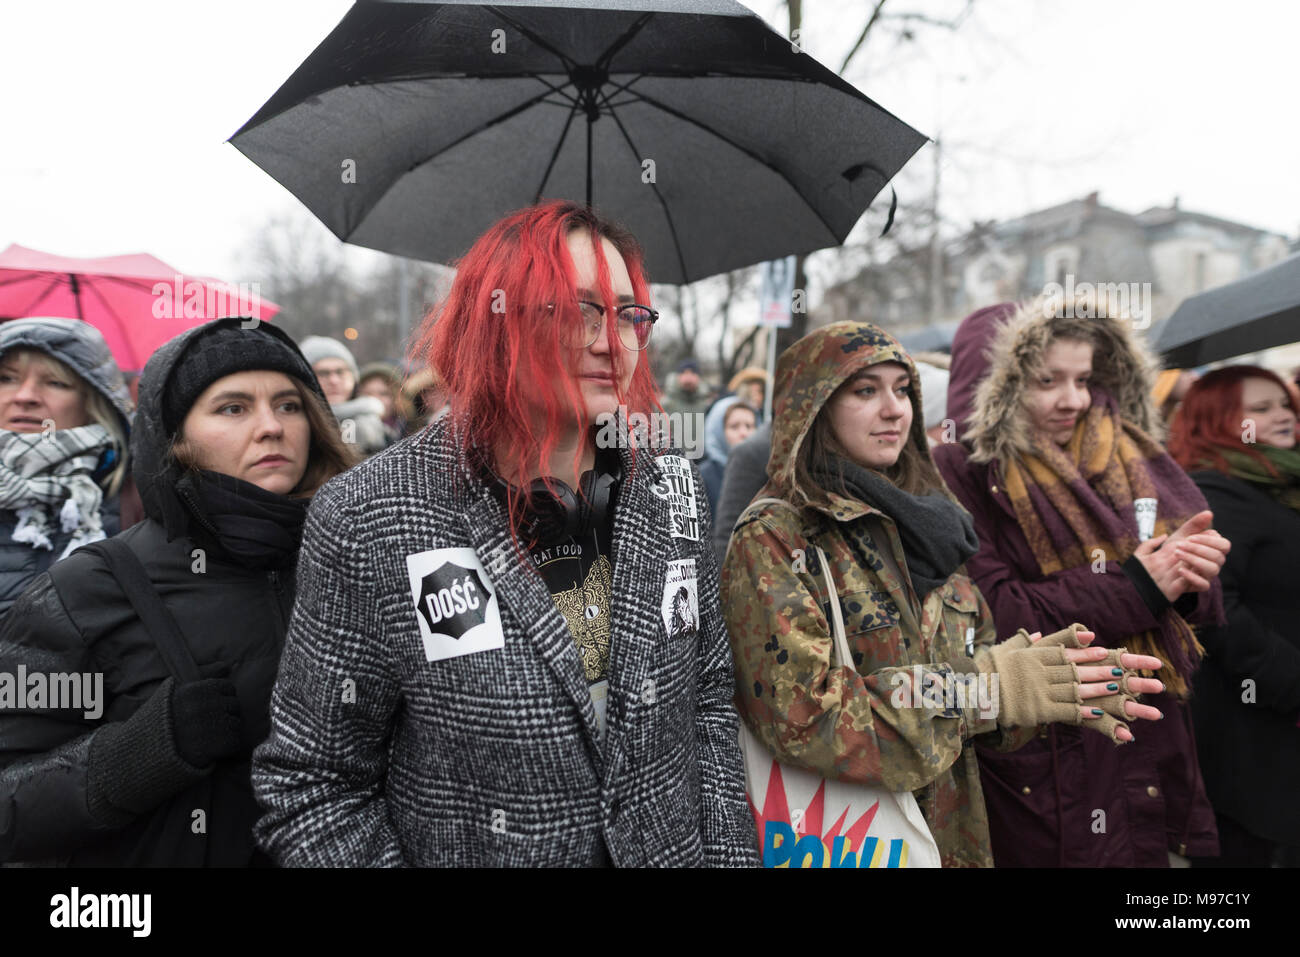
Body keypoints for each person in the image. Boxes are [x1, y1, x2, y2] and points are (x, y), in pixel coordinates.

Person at [252, 201, 758, 867]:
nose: (612, 341)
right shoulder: (369, 514)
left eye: (629, 314)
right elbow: (313, 783)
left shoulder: (671, 481)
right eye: (578, 311)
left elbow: (708, 702)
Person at [721, 321, 1164, 867]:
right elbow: (805, 717)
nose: (894, 410)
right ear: (813, 407)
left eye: (902, 390)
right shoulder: (778, 536)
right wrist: (987, 690)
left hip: (951, 842)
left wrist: (1043, 685)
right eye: (865, 391)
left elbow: (979, 698)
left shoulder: (936, 525)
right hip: (843, 840)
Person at [0, 318, 354, 865]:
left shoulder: (361, 563)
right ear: (175, 436)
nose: (271, 427)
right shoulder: (88, 590)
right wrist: (133, 757)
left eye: (288, 405)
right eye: (232, 408)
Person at [933, 294, 1230, 867]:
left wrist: (1190, 574)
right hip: (1044, 754)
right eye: (1048, 381)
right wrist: (1140, 585)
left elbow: (1203, 613)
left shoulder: (1129, 453)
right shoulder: (956, 473)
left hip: (1149, 731)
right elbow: (997, 612)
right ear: (994, 386)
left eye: (1085, 379)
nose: (1074, 400)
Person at [1168, 365, 1300, 866]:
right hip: (1253, 732)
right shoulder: (1214, 492)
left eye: (1285, 403)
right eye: (1261, 409)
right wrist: (1291, 683)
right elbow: (1216, 610)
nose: (1283, 415)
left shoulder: (1280, 482)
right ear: (1220, 419)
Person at [0, 317, 133, 617]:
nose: (25, 396)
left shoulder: (137, 492)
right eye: (7, 378)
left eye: (56, 382)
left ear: (93, 400)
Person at [299, 335, 389, 456]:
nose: (334, 380)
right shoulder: (295, 423)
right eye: (323, 373)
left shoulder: (375, 426)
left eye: (341, 372)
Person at [700, 398, 756, 514]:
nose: (744, 433)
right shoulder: (703, 476)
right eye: (734, 426)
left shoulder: (763, 472)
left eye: (749, 426)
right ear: (718, 431)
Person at [357, 361, 411, 442]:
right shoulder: (349, 430)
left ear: (396, 398)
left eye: (383, 394)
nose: (375, 399)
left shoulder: (412, 430)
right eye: (368, 394)